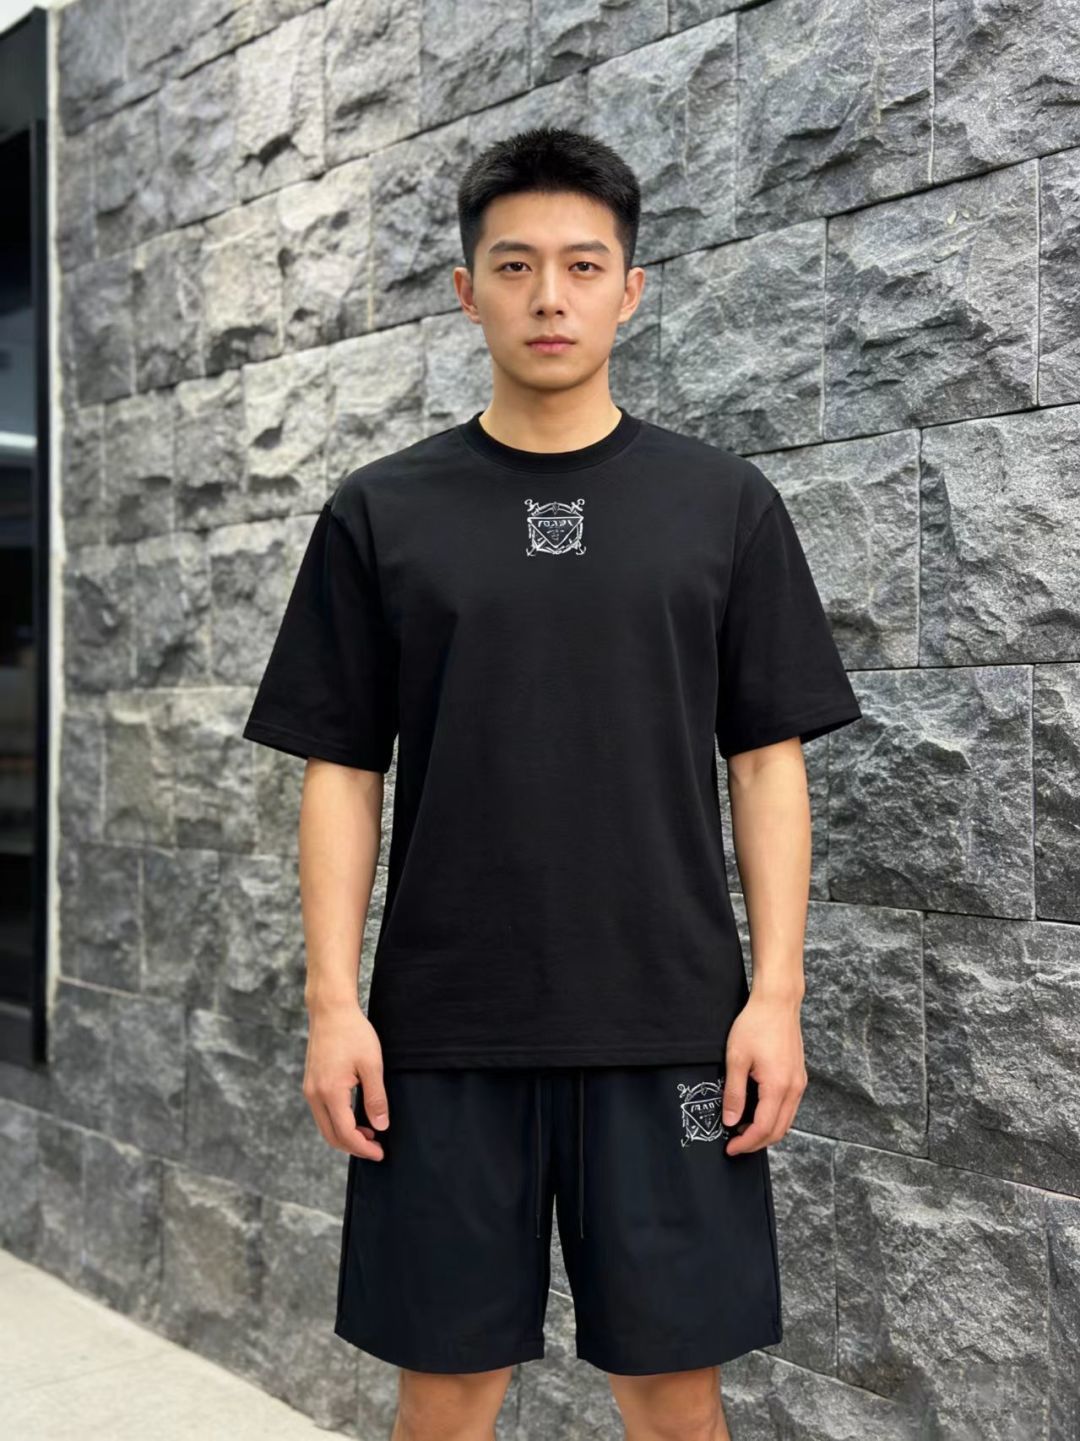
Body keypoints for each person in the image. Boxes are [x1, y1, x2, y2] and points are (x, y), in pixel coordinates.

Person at [243, 124, 862, 1441]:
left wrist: (777, 996)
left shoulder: (723, 505)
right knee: (444, 1400)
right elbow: (342, 771)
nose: (549, 296)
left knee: (677, 1400)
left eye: (583, 266)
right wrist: (333, 1004)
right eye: (515, 265)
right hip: (444, 1033)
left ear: (630, 290)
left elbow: (767, 761)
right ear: (466, 291)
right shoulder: (381, 512)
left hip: (673, 1023)